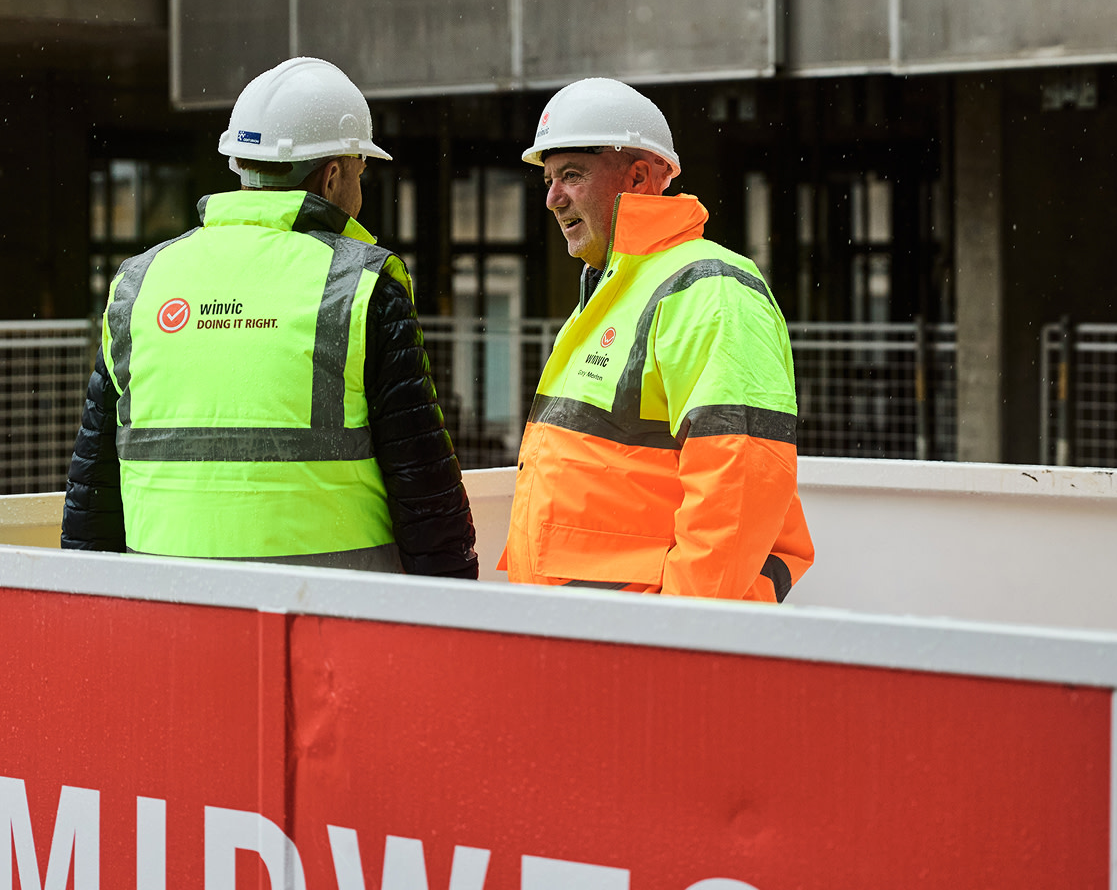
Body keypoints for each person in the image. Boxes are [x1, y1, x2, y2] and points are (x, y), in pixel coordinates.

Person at [62, 57, 477, 578]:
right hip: (332, 621)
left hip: (169, 619)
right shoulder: (362, 287)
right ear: (331, 179)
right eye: (360, 173)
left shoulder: (140, 282)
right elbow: (424, 487)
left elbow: (92, 490)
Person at [501, 77, 813, 601]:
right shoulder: (611, 292)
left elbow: (738, 481)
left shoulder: (710, 289)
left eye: (571, 175)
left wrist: (676, 633)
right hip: (586, 628)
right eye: (549, 179)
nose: (553, 199)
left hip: (644, 638)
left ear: (641, 177)